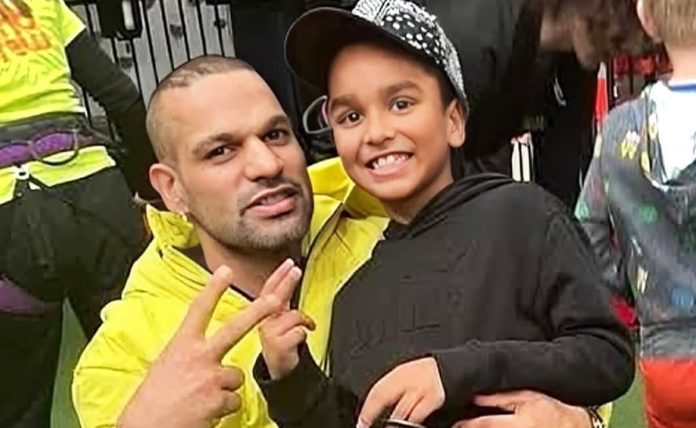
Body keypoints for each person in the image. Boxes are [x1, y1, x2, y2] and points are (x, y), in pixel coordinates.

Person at [73, 56, 617, 428]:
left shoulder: (393, 232)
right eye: (221, 151)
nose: (265, 164)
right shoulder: (125, 352)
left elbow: (561, 352)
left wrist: (581, 421)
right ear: (172, 189)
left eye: (275, 134)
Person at [254, 1, 634, 427]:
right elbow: (356, 418)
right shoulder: (352, 296)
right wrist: (291, 379)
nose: (376, 132)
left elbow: (607, 356)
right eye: (352, 116)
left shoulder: (523, 218)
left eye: (401, 103)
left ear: (454, 121)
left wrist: (454, 373)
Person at [0, 1, 154, 426]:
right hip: (97, 194)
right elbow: (122, 98)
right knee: (146, 378)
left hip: (9, 220)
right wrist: (150, 190)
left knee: (17, 405)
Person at [576, 0, 696, 427]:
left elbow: (586, 228)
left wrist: (631, 284)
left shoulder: (619, 129)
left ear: (647, 18)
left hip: (665, 357)